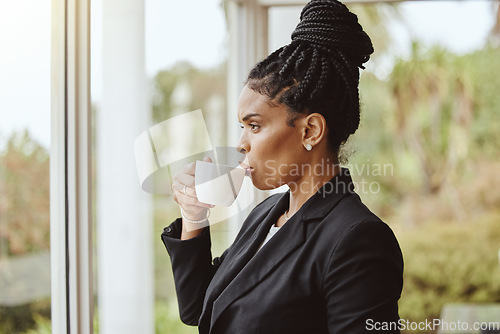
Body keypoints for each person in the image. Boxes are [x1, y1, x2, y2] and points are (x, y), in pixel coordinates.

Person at [161, 0, 403, 333]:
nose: (242, 144)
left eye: (255, 126)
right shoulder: (267, 214)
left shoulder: (357, 239)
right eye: (242, 127)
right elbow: (199, 308)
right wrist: (194, 216)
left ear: (310, 131)